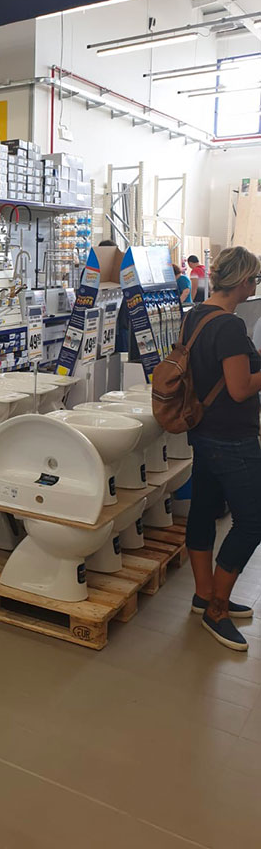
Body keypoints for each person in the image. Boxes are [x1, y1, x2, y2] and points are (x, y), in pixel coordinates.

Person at [183, 246, 261, 651]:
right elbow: (240, 388)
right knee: (252, 521)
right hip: (233, 439)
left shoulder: (195, 315)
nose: (255, 286)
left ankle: (203, 594)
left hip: (202, 431)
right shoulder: (230, 326)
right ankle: (216, 609)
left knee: (203, 511)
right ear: (243, 281)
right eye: (255, 279)